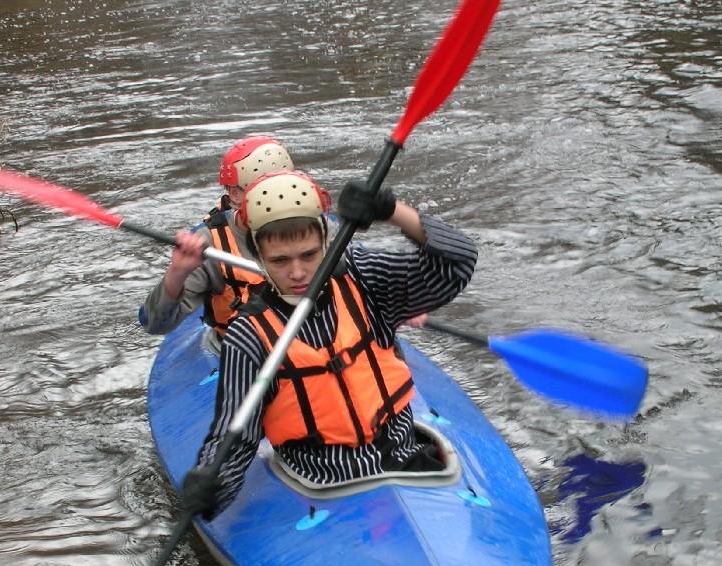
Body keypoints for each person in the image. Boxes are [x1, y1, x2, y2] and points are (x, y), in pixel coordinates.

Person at [185, 169, 477, 514]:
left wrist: (392, 211)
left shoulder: (365, 281)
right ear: (258, 257)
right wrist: (211, 485)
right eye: (280, 261)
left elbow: (457, 262)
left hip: (409, 461)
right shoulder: (247, 335)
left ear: (326, 242)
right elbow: (235, 435)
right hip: (324, 480)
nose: (297, 273)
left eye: (309, 255)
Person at [139, 135, 299, 338]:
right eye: (264, 193)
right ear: (234, 194)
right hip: (237, 351)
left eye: (284, 191)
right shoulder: (212, 244)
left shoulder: (318, 230)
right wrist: (177, 273)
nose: (278, 203)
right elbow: (155, 324)